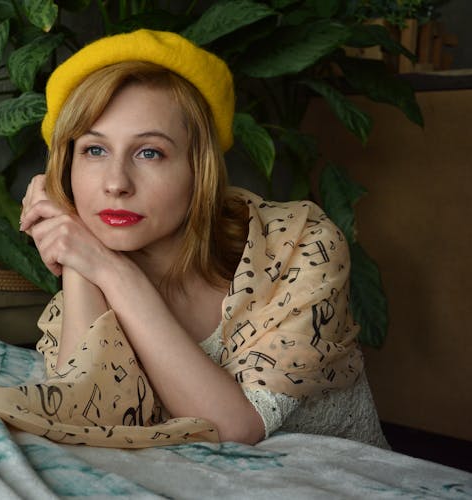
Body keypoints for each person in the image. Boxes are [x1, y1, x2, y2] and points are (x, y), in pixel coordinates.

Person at [20, 29, 387, 448]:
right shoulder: (75, 293)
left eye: (149, 152)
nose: (116, 184)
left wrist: (110, 270)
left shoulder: (298, 245)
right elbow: (87, 422)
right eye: (94, 151)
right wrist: (79, 259)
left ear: (201, 167)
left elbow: (235, 429)